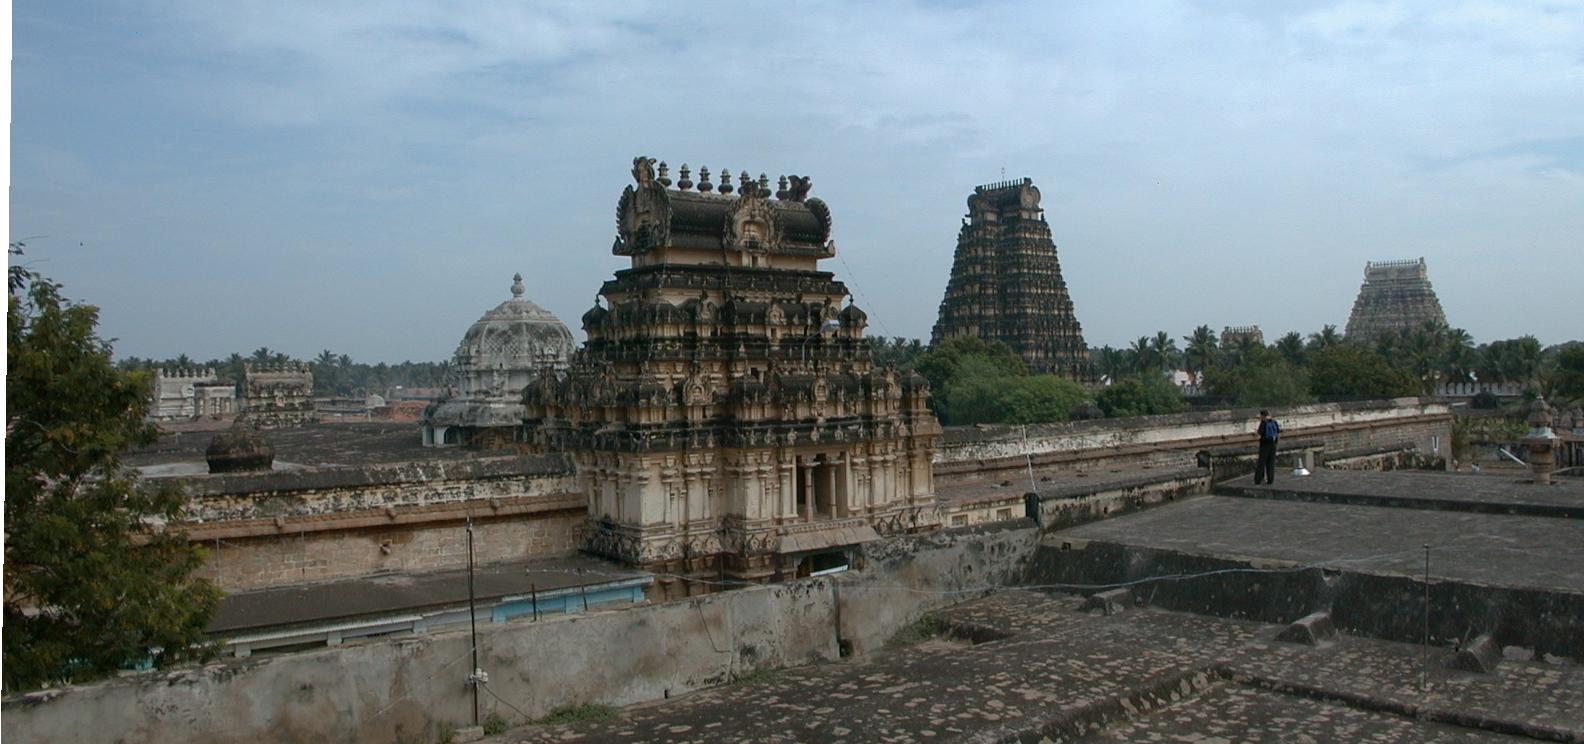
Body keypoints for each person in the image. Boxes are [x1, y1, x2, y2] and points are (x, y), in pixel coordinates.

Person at [1255, 409, 1280, 484]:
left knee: (1261, 463)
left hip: (1264, 445)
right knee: (1271, 463)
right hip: (1273, 445)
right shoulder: (1274, 422)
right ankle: (1270, 480)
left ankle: (1258, 479)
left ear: (1262, 416)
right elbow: (1277, 433)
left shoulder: (1263, 423)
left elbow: (1260, 434)